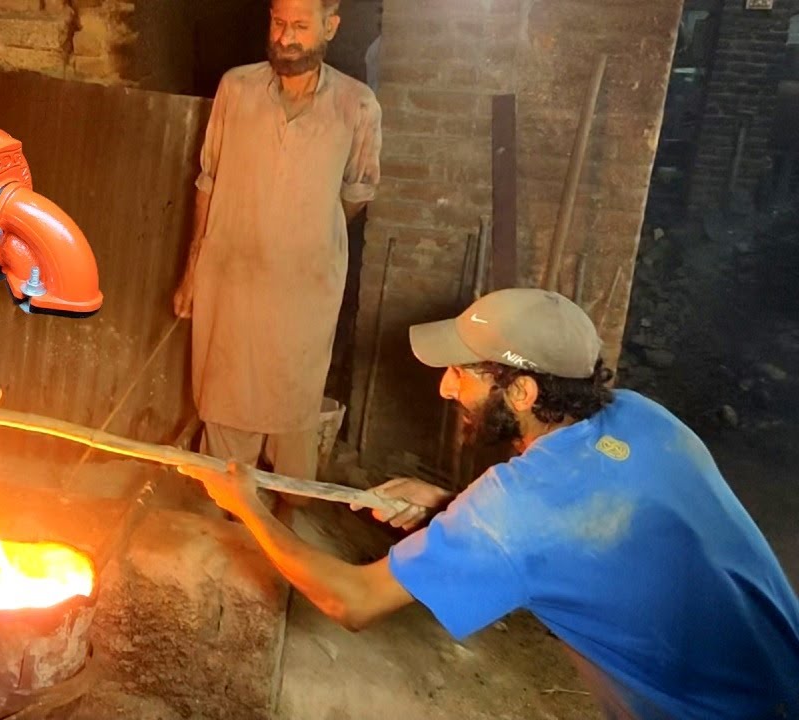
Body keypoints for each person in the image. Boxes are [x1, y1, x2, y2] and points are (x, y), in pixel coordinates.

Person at [180, 288, 799, 719]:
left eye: (463, 372)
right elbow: (586, 521)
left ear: (522, 391)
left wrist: (248, 505)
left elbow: (352, 600)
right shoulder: (641, 417)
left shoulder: (515, 508)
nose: (446, 386)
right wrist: (451, 506)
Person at [172, 0, 382, 509]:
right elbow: (208, 181)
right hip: (231, 275)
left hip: (304, 286)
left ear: (330, 27)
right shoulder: (237, 88)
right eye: (278, 23)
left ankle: (288, 520)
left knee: (294, 394)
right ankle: (226, 512)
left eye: (301, 27)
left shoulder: (357, 105)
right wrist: (194, 270)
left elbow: (356, 193)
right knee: (226, 390)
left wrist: (299, 226)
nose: (286, 38)